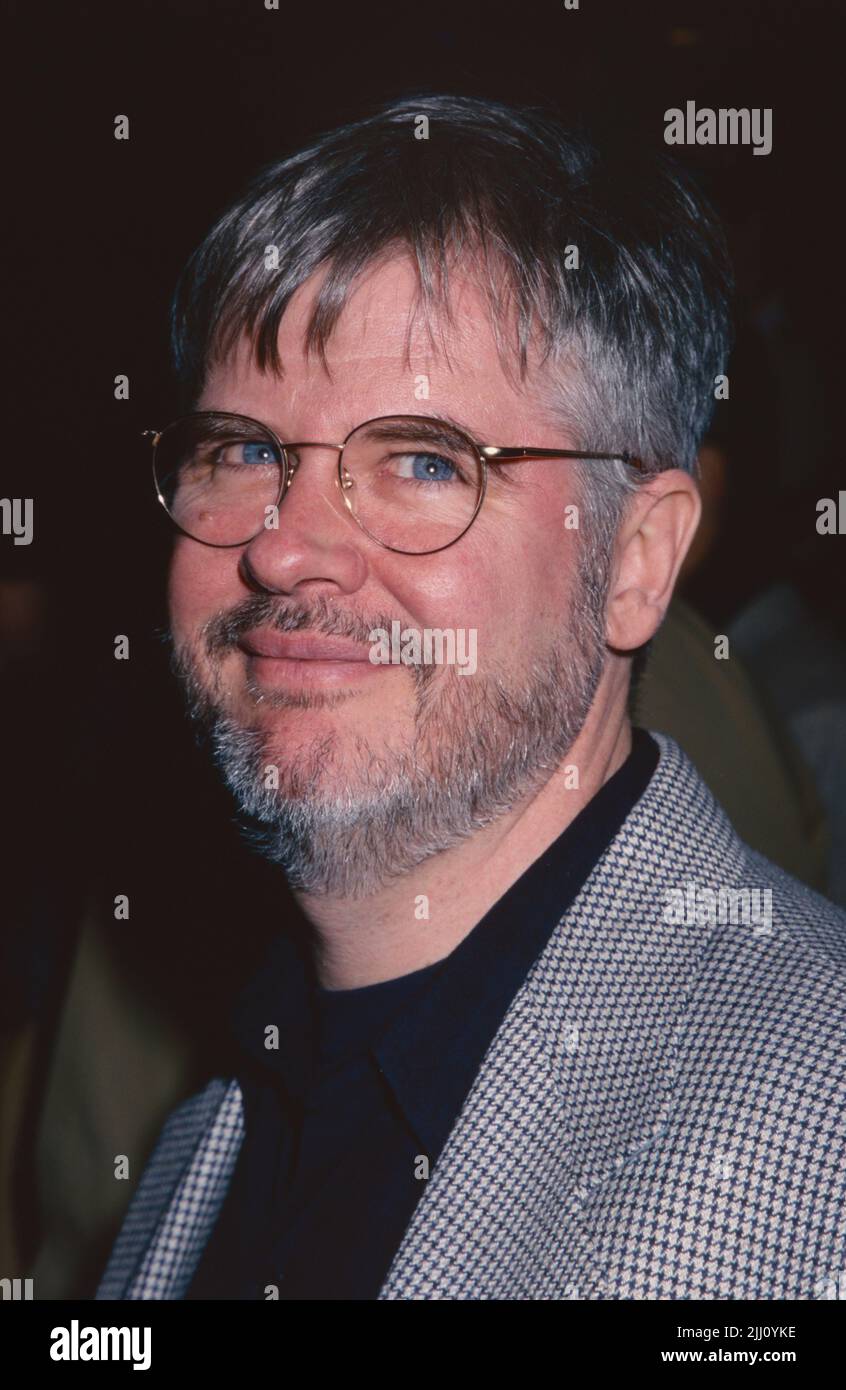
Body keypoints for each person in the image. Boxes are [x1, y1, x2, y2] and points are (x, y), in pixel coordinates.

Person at [95, 94, 846, 1301]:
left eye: (424, 462)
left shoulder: (816, 1139)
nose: (287, 549)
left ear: (637, 561)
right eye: (241, 449)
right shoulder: (209, 1138)